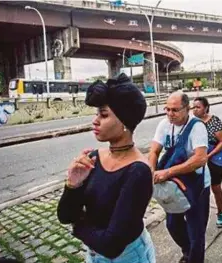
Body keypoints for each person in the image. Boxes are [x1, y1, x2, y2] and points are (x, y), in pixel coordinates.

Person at [57, 73, 155, 263]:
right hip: (93, 254)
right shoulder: (94, 158)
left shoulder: (137, 171)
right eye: (96, 114)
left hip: (128, 257)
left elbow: (112, 245)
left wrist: (78, 226)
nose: (95, 120)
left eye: (103, 115)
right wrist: (73, 184)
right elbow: (65, 215)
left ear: (124, 122)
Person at [148, 91, 210, 263]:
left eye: (174, 110)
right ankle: (188, 251)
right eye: (167, 109)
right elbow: (154, 150)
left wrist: (167, 172)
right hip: (175, 185)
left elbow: (200, 158)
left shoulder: (197, 127)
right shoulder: (164, 124)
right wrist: (152, 169)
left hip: (197, 185)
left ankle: (195, 258)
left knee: (196, 231)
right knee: (172, 224)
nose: (170, 114)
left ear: (187, 108)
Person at [193, 97, 222, 228]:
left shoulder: (214, 121)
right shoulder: (192, 123)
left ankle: (220, 212)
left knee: (215, 187)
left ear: (206, 108)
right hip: (197, 158)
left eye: (198, 107)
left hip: (214, 159)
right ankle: (199, 215)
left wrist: (208, 155)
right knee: (199, 189)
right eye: (193, 107)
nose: (195, 110)